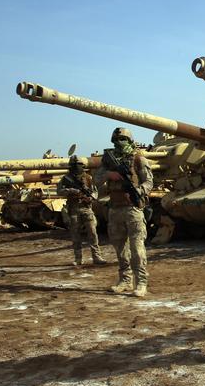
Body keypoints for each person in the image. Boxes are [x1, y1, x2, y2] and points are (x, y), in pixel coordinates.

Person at [94, 127, 153, 297]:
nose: (120, 143)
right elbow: (97, 179)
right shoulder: (108, 161)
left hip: (133, 208)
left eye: (124, 139)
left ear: (130, 141)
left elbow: (149, 182)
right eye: (117, 140)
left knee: (137, 249)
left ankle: (141, 282)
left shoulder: (138, 159)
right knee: (120, 248)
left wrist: (138, 192)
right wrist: (109, 174)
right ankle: (125, 280)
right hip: (115, 208)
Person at [57, 155, 107, 266]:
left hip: (86, 208)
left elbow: (95, 192)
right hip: (73, 209)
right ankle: (78, 258)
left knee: (93, 233)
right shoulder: (66, 178)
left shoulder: (88, 178)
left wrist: (91, 197)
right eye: (74, 165)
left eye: (78, 165)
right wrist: (70, 190)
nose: (76, 167)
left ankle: (97, 256)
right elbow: (59, 191)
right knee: (75, 235)